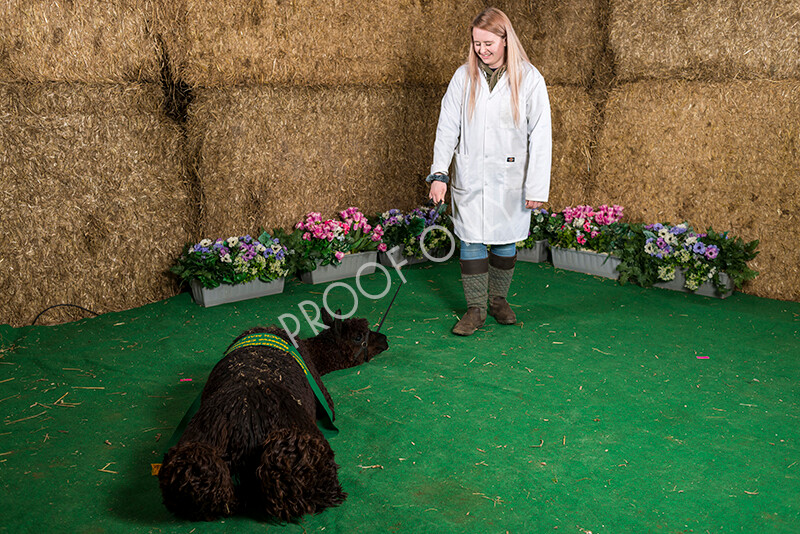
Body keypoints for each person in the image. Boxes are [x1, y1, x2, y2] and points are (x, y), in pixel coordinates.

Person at [427, 7, 552, 336]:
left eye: (488, 43)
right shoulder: (462, 78)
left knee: (505, 241)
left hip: (511, 178)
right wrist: (440, 174)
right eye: (476, 43)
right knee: (471, 239)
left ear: (505, 39)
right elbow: (446, 128)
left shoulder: (529, 79)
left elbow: (541, 136)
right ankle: (476, 309)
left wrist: (537, 188)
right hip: (471, 175)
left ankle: (498, 300)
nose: (482, 50)